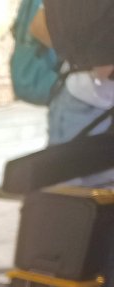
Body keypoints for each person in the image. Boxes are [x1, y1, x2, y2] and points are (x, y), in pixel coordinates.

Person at [31, 5, 114, 185]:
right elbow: (38, 24)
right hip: (85, 106)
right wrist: (81, 57)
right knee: (68, 195)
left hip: (91, 104)